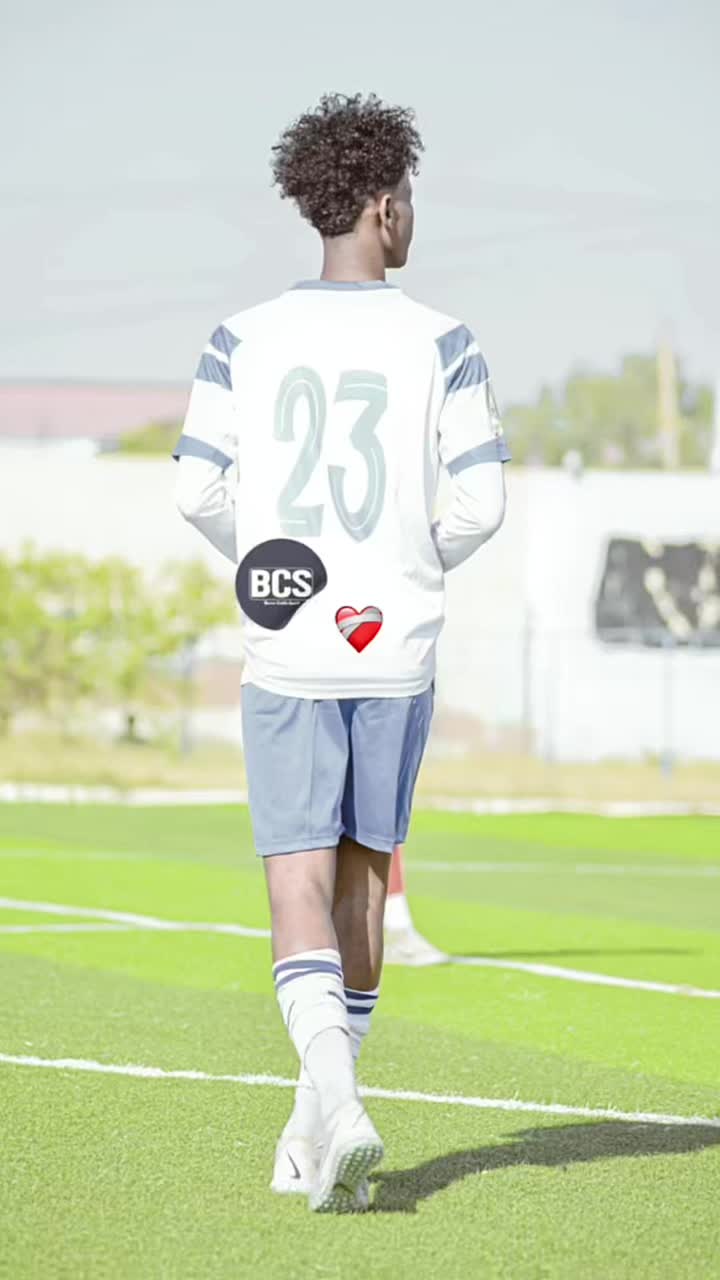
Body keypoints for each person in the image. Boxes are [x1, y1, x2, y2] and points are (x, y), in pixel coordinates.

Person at [173, 92, 509, 1213]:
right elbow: (482, 505)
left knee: (296, 886)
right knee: (364, 886)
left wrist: (279, 566)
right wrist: (403, 565)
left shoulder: (241, 335)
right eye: (406, 193)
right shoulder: (446, 340)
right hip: (394, 645)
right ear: (381, 206)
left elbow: (197, 489)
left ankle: (330, 1110)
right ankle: (317, 1120)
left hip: (291, 645)